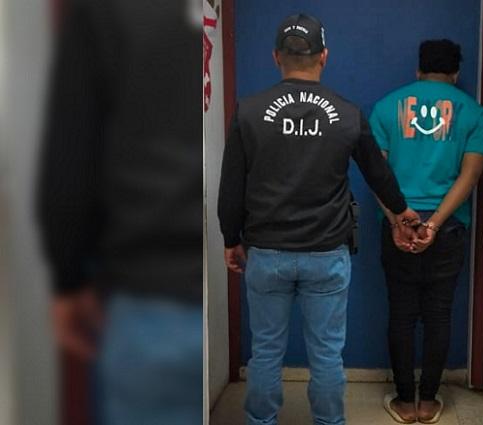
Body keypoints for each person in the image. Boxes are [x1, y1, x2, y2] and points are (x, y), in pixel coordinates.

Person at [217, 13, 419, 425]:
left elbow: (231, 184)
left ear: (277, 57)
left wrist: (230, 238)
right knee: (327, 354)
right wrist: (402, 213)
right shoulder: (347, 113)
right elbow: (378, 174)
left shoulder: (249, 112)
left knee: (266, 352)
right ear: (324, 56)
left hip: (267, 252)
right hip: (326, 253)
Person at [38, 0, 204, 424]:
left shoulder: (105, 10)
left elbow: (71, 153)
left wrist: (67, 278)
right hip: (196, 289)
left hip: (150, 302)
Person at [369, 39, 483, 424]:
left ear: (418, 70)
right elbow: (471, 176)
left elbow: (378, 175)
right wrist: (434, 223)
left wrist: (398, 221)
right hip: (448, 226)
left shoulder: (386, 107)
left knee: (401, 313)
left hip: (397, 222)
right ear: (455, 73)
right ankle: (428, 401)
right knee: (439, 314)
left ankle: (405, 403)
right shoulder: (474, 112)